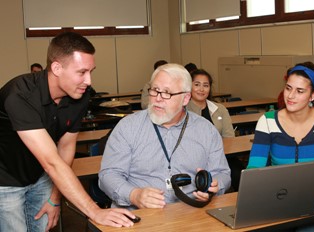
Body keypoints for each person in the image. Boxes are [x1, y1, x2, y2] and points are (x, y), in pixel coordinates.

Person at [0, 32, 136, 232]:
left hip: (40, 177)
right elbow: (52, 162)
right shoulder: (20, 96)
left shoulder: (80, 95)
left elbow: (66, 147)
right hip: (6, 180)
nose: (88, 81)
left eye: (91, 71)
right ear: (56, 68)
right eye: (81, 72)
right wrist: (95, 211)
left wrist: (55, 199)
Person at [99, 63, 231, 209]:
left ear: (186, 99)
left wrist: (214, 187)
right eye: (155, 90)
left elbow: (222, 173)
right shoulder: (128, 127)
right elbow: (109, 175)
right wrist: (134, 195)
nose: (158, 98)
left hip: (190, 212)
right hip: (140, 215)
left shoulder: (206, 130)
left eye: (167, 93)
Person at [247, 61, 314, 231]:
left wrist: (304, 176)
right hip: (278, 196)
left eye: (300, 91)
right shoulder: (267, 121)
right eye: (288, 88)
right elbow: (254, 167)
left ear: (313, 95)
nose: (291, 96)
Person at [186, 69, 235, 138]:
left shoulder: (220, 109)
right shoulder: (182, 111)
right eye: (197, 85)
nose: (201, 89)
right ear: (189, 87)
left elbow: (229, 137)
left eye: (205, 85)